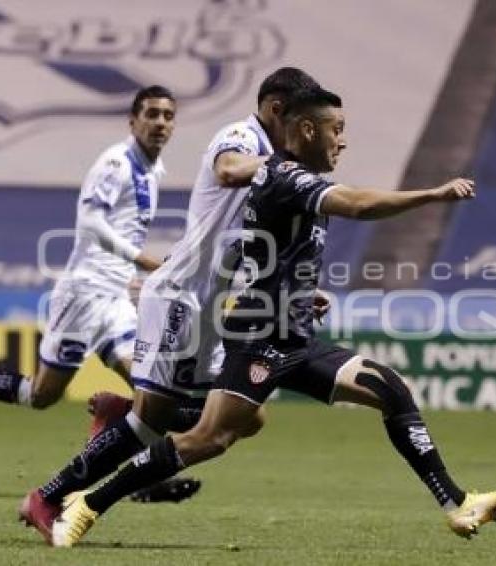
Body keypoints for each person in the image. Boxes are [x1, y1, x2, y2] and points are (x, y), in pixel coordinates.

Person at [49, 86, 496, 548]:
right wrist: (433, 194)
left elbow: (263, 250)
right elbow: (357, 204)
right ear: (307, 129)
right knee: (208, 439)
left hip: (293, 334)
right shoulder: (284, 175)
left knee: (389, 387)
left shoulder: (295, 177)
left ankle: (458, 503)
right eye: (337, 129)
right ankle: (90, 502)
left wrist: (300, 292)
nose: (344, 140)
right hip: (257, 337)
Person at [20, 68, 325, 544]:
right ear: (277, 110)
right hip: (180, 298)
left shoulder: (275, 163)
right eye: (304, 120)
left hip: (210, 307)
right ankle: (49, 496)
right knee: (152, 422)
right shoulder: (242, 137)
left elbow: (244, 240)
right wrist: (280, 170)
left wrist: (297, 288)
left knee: (247, 418)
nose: (309, 132)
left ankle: (121, 415)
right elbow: (227, 169)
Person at [0, 85, 175, 419]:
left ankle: (146, 468)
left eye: (168, 116)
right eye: (151, 114)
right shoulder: (116, 164)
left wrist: (132, 276)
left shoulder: (152, 171)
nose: (160, 123)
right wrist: (143, 259)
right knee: (41, 394)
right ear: (132, 121)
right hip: (84, 294)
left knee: (150, 389)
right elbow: (90, 224)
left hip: (116, 298)